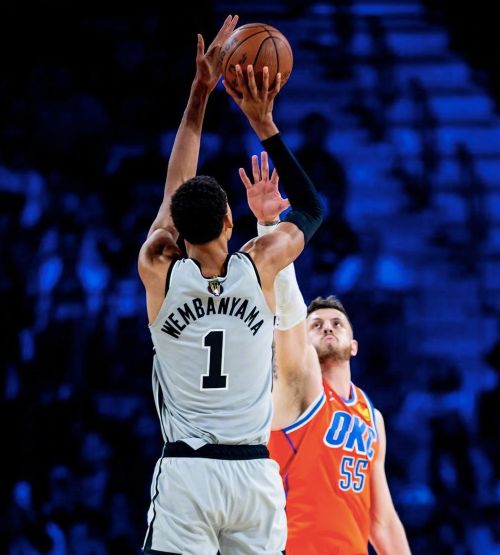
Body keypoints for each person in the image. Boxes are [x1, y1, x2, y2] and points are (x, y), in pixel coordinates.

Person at [137, 15, 323, 554]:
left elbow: (174, 191)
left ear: (175, 228)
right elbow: (313, 207)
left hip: (188, 474)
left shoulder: (158, 267)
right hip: (253, 475)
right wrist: (263, 123)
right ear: (229, 221)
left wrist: (200, 92)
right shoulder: (259, 264)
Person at [240, 160, 410, 554]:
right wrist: (270, 227)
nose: (328, 327)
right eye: (316, 324)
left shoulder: (371, 416)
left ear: (354, 344)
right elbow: (288, 308)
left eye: (337, 323)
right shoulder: (298, 388)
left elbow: (381, 519)